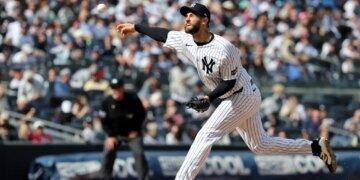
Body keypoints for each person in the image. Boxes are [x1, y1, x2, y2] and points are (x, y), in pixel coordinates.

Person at [116, 2, 337, 180]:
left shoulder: (224, 48)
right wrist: (136, 27)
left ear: (205, 20)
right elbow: (162, 34)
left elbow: (229, 83)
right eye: (186, 15)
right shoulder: (186, 40)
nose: (187, 18)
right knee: (259, 145)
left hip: (242, 94)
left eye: (192, 15)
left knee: (206, 134)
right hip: (235, 96)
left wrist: (208, 98)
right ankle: (316, 147)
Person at [77, 78, 149, 180]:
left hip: (131, 133)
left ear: (122, 88)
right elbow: (104, 121)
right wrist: (110, 136)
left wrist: (136, 130)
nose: (116, 91)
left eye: (118, 88)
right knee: (108, 152)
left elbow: (141, 115)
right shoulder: (107, 102)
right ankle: (105, 176)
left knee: (139, 152)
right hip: (115, 133)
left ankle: (144, 178)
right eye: (113, 88)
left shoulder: (133, 99)